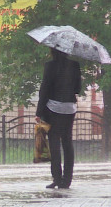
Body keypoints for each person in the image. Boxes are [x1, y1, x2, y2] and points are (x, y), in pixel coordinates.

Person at [35, 48, 82, 189]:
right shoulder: (75, 65)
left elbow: (45, 89)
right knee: (67, 141)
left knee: (54, 141)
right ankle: (67, 180)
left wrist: (39, 111)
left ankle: (57, 178)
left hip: (53, 107)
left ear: (53, 51)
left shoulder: (50, 65)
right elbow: (78, 89)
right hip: (70, 107)